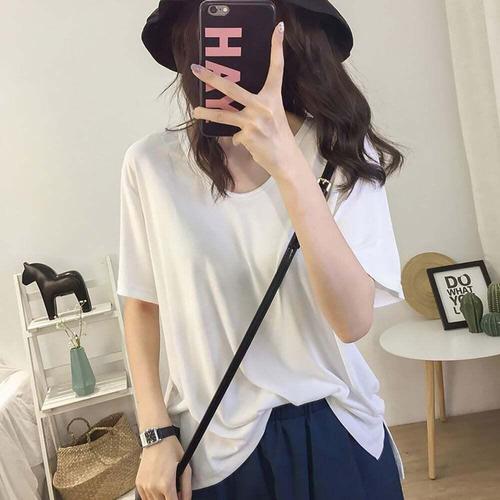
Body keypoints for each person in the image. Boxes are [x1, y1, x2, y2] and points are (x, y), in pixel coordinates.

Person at [117, 1, 407, 499]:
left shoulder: (341, 152)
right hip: (214, 446)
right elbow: (142, 305)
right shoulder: (151, 166)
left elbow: (352, 321)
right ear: (187, 38)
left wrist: (289, 166)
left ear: (286, 33)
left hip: (336, 427)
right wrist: (154, 433)